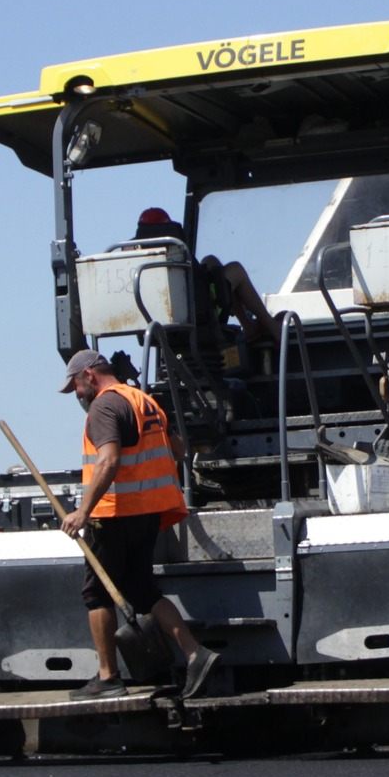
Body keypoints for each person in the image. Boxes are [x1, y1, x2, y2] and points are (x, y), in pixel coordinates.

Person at [58, 347, 219, 701]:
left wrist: (83, 511)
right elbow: (178, 449)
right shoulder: (144, 401)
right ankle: (195, 653)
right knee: (143, 591)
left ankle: (107, 677)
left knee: (96, 594)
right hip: (147, 514)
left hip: (113, 515)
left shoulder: (104, 406)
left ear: (89, 375)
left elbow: (108, 460)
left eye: (77, 388)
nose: (78, 396)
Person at [134, 207, 280, 345]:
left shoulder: (139, 259)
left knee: (210, 261)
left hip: (170, 318)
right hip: (201, 315)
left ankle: (248, 325)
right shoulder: (174, 249)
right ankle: (275, 330)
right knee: (236, 270)